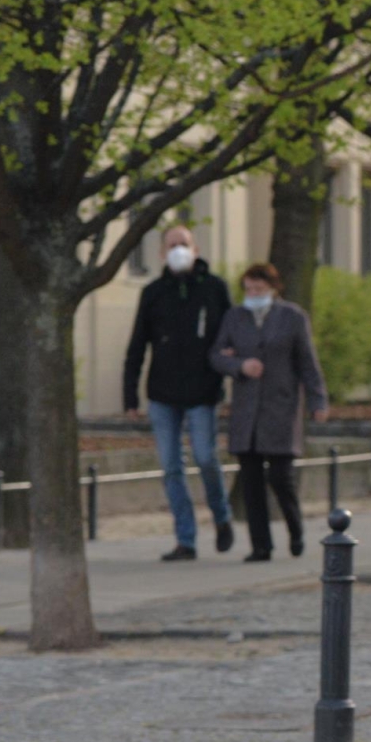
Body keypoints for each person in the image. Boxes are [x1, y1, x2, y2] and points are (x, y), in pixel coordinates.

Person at [121, 225, 234, 560]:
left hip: (203, 390)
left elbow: (231, 335)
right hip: (163, 393)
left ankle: (222, 516)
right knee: (171, 467)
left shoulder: (214, 288)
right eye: (172, 245)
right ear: (161, 253)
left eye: (183, 244)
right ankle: (186, 538)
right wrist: (130, 396)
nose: (178, 250)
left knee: (205, 457)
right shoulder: (154, 292)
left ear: (195, 249)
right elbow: (137, 345)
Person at [210, 264, 328, 561]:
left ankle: (295, 528)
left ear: (273, 288)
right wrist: (239, 366)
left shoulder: (292, 317)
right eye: (248, 289)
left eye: (258, 289)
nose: (253, 294)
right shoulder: (235, 317)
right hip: (247, 411)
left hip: (281, 408)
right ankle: (260, 545)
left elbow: (307, 363)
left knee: (280, 477)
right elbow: (215, 355)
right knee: (250, 481)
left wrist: (318, 401)